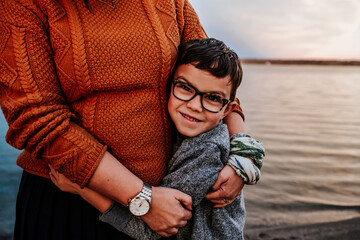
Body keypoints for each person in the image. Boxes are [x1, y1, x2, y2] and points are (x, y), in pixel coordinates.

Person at [0, 0, 257, 239]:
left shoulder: (171, 3)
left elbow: (215, 77)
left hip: (166, 202)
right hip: (67, 197)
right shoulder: (24, 5)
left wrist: (244, 158)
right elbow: (36, 117)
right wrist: (140, 197)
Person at [49, 38, 265, 239]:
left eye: (212, 98)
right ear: (168, 84)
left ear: (229, 110)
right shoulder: (190, 132)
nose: (194, 105)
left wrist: (82, 188)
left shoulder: (206, 151)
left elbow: (154, 230)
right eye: (185, 87)